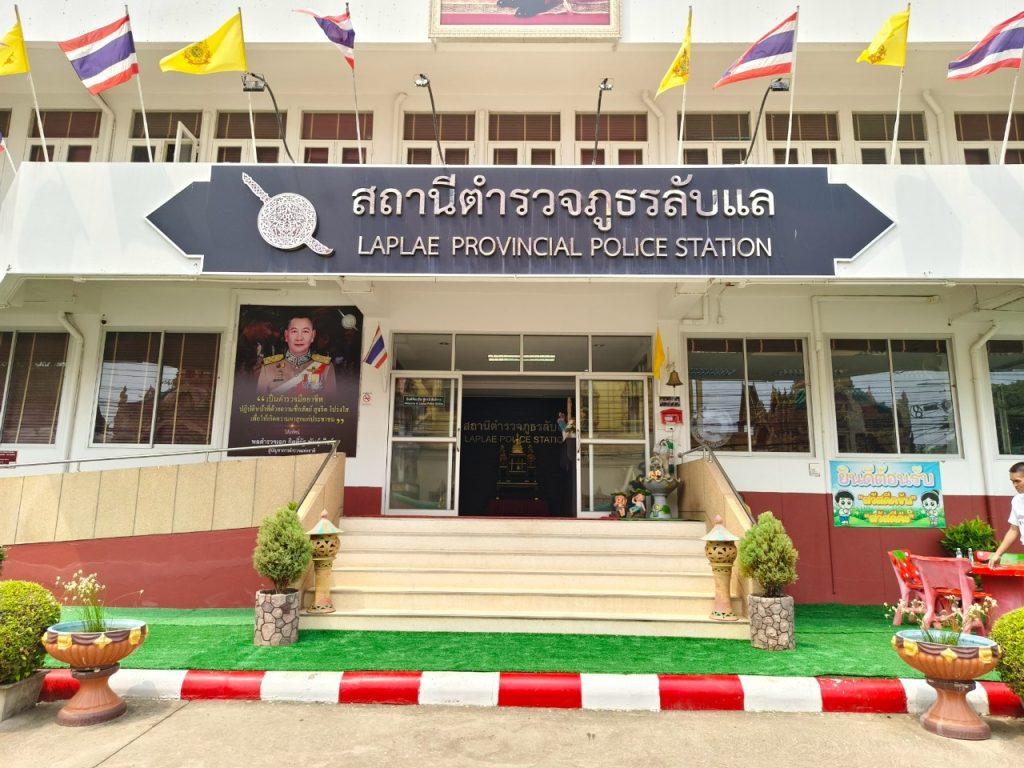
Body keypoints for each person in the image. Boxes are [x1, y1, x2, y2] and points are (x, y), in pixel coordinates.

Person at [257, 314, 336, 396]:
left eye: (305, 331)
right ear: (286, 335)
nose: (299, 338)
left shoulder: (325, 367)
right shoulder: (268, 367)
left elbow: (331, 402)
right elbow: (260, 401)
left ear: (312, 336)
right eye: (294, 331)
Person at [989, 462, 1024, 567]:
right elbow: (1014, 529)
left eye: (1017, 481)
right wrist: (998, 554)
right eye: (1012, 481)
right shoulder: (1017, 501)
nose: (1015, 485)